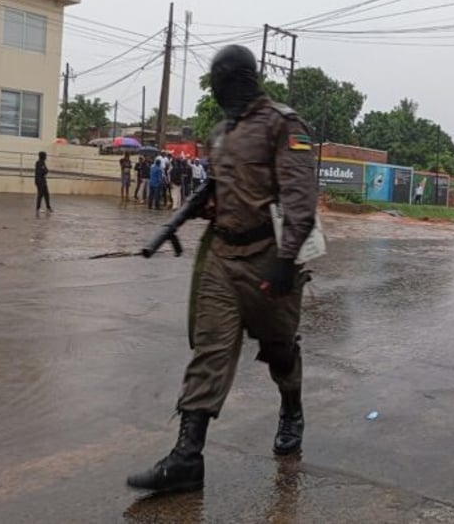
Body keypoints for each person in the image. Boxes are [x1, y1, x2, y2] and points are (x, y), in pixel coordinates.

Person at [127, 44, 318, 493]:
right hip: (223, 258)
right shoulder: (221, 131)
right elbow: (216, 189)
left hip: (270, 258)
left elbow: (300, 200)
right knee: (209, 352)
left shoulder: (283, 124)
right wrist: (186, 216)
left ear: (237, 79)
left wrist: (287, 260)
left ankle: (292, 408)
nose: (216, 91)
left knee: (279, 350)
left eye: (219, 82)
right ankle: (187, 458)